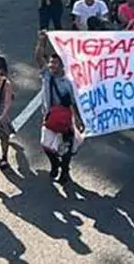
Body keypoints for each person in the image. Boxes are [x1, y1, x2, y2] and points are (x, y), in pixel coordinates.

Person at [35, 33, 86, 186]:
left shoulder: (67, 83)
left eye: (55, 63)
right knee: (45, 144)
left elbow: (74, 102)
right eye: (51, 62)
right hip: (49, 117)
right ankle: (55, 164)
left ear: (62, 65)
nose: (51, 65)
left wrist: (78, 119)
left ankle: (64, 170)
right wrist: (41, 41)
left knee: (67, 147)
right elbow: (38, 57)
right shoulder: (46, 75)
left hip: (65, 119)